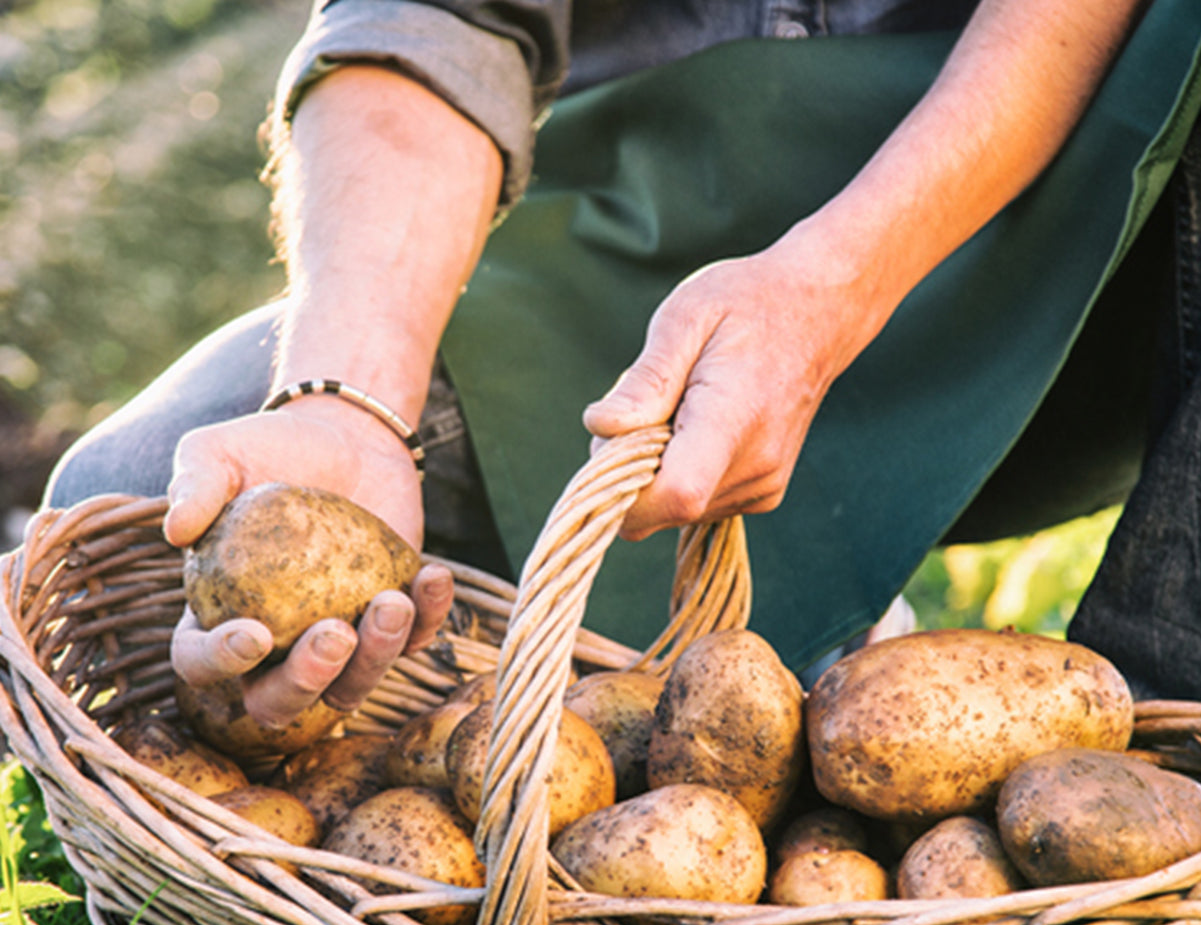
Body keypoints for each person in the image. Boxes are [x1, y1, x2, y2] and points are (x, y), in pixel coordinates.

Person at [43, 0, 1201, 730]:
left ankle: (1166, 729)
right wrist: (347, 399)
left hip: (1068, 247)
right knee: (137, 514)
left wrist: (830, 285)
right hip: (632, 244)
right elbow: (430, 23)